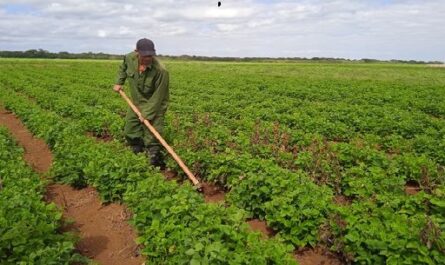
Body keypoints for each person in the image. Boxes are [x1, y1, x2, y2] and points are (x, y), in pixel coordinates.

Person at [113, 38, 169, 170]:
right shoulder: (129, 58)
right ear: (136, 52)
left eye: (150, 55)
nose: (148, 58)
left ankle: (154, 160)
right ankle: (137, 153)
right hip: (136, 102)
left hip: (155, 104)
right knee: (130, 129)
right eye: (145, 56)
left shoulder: (161, 71)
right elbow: (123, 68)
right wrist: (119, 82)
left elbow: (159, 96)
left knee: (152, 133)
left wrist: (147, 114)